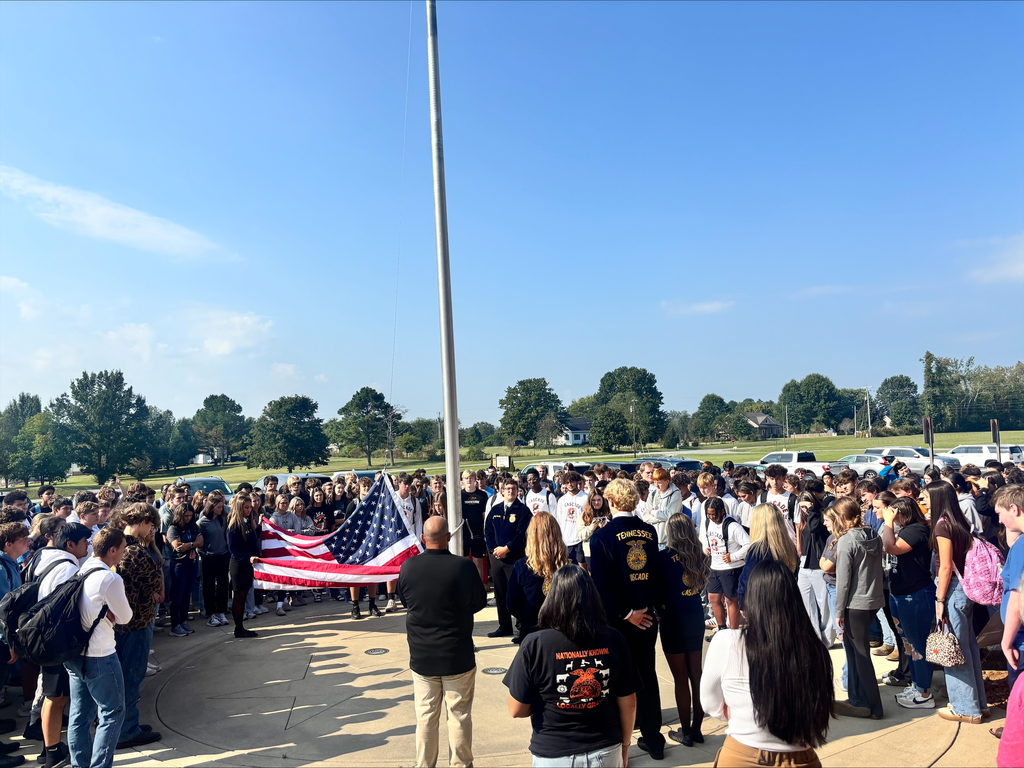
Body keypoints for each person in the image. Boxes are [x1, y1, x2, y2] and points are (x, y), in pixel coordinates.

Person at [701, 559, 833, 768]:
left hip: (743, 754)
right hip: (802, 757)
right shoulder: (815, 649)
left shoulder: (727, 642)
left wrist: (739, 711)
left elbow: (709, 703)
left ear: (752, 599)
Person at [504, 565, 639, 768]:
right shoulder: (614, 639)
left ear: (553, 598)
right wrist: (626, 745)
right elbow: (629, 703)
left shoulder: (535, 644)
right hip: (605, 748)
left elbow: (516, 709)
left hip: (553, 752)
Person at [398, 516, 486, 768]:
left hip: (422, 656)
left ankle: (424, 765)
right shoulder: (463, 567)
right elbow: (479, 603)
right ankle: (461, 765)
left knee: (425, 716)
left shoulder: (408, 567)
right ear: (448, 537)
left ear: (424, 539)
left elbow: (406, 601)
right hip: (457, 654)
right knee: (459, 716)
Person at [588, 479, 666, 760]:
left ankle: (616, 740)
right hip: (645, 617)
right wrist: (648, 609)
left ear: (611, 501)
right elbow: (655, 575)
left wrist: (626, 614)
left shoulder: (603, 536)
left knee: (615, 680)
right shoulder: (649, 531)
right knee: (647, 674)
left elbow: (601, 585)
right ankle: (653, 738)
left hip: (619, 621)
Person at [64, 527, 132, 768]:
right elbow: (125, 617)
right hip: (100, 654)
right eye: (122, 550)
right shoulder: (109, 578)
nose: (124, 554)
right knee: (112, 713)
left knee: (79, 716)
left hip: (74, 654)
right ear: (112, 550)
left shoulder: (81, 569)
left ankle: (79, 764)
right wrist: (111, 613)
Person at [927, 480, 988, 724]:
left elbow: (945, 567)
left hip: (952, 591)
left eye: (926, 495)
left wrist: (940, 599)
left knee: (954, 650)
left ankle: (965, 707)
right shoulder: (960, 521)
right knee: (968, 646)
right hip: (966, 590)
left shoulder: (942, 526)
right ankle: (978, 704)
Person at [109, 504, 164, 751]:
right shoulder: (136, 552)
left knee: (125, 676)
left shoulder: (121, 547)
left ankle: (127, 723)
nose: (152, 529)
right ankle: (126, 730)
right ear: (142, 522)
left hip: (123, 624)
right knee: (131, 677)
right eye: (151, 524)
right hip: (136, 623)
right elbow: (156, 587)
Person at [880, 497, 936, 710]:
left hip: (915, 594)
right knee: (908, 644)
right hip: (900, 593)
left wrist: (887, 523)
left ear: (902, 514)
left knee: (917, 643)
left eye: (894, 514)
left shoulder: (916, 530)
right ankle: (916, 684)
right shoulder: (906, 530)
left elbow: (891, 548)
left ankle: (923, 692)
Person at [659, 513, 710, 747]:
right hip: (694, 616)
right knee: (696, 674)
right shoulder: (699, 556)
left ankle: (686, 732)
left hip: (673, 618)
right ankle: (697, 728)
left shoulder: (664, 558)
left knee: (680, 679)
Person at [832, 497, 884, 720]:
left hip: (855, 604)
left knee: (860, 654)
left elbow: (842, 581)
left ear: (842, 518)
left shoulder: (847, 541)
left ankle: (872, 704)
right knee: (854, 652)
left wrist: (838, 611)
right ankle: (857, 697)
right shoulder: (873, 535)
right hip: (872, 600)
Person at [507, 513, 569, 644]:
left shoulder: (522, 567)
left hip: (532, 635)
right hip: (564, 635)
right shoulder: (570, 567)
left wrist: (525, 618)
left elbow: (512, 603)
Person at [484, 479, 531, 639]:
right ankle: (504, 626)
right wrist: (494, 549)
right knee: (500, 593)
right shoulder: (495, 509)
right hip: (497, 558)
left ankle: (521, 627)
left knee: (517, 594)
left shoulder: (523, 511)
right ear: (502, 491)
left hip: (515, 559)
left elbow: (522, 534)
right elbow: (488, 531)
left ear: (518, 490)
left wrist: (508, 548)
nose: (510, 491)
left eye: (513, 488)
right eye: (507, 489)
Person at [700, 497, 750, 634]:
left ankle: (733, 632)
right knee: (713, 598)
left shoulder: (733, 526)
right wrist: (706, 548)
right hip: (715, 566)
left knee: (731, 600)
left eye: (714, 514)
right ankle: (721, 628)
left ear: (722, 511)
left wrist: (733, 556)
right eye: (708, 514)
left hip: (731, 569)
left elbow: (748, 544)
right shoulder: (707, 523)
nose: (711, 517)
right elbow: (704, 539)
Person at [737, 503, 798, 610]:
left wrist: (742, 603)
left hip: (764, 601)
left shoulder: (758, 549)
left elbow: (747, 578)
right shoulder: (788, 545)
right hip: (787, 598)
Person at [796, 490, 834, 647]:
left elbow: (813, 528)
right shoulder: (805, 518)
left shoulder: (819, 516)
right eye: (801, 507)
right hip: (805, 564)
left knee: (823, 605)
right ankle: (814, 637)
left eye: (806, 506)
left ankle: (827, 640)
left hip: (818, 565)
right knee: (807, 603)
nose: (804, 510)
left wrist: (812, 509)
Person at [166, 504, 203, 637]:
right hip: (179, 565)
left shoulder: (193, 526)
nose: (188, 518)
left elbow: (201, 542)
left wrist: (189, 544)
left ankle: (183, 621)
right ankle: (175, 625)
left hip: (192, 564)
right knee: (177, 596)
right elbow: (177, 546)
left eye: (190, 516)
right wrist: (193, 543)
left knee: (187, 595)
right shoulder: (173, 528)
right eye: (186, 516)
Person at [226, 494, 259, 639]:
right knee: (239, 597)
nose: (249, 510)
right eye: (246, 507)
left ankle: (240, 627)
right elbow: (234, 549)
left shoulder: (247, 522)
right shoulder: (234, 525)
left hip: (247, 564)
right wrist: (248, 557)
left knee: (244, 594)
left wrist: (259, 527)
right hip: (239, 564)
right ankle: (238, 628)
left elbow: (251, 540)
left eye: (250, 507)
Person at [198, 498, 230, 627]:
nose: (221, 509)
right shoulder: (202, 523)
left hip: (223, 555)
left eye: (222, 507)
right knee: (209, 586)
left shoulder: (222, 519)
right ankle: (211, 614)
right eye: (218, 507)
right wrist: (204, 553)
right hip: (209, 557)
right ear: (211, 507)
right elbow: (199, 541)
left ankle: (221, 612)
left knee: (223, 584)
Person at [643, 468, 683, 550]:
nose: (656, 485)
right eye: (654, 482)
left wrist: (654, 512)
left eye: (659, 482)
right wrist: (661, 518)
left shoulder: (675, 494)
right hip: (654, 540)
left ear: (667, 481)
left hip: (669, 542)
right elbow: (645, 516)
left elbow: (671, 516)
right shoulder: (653, 494)